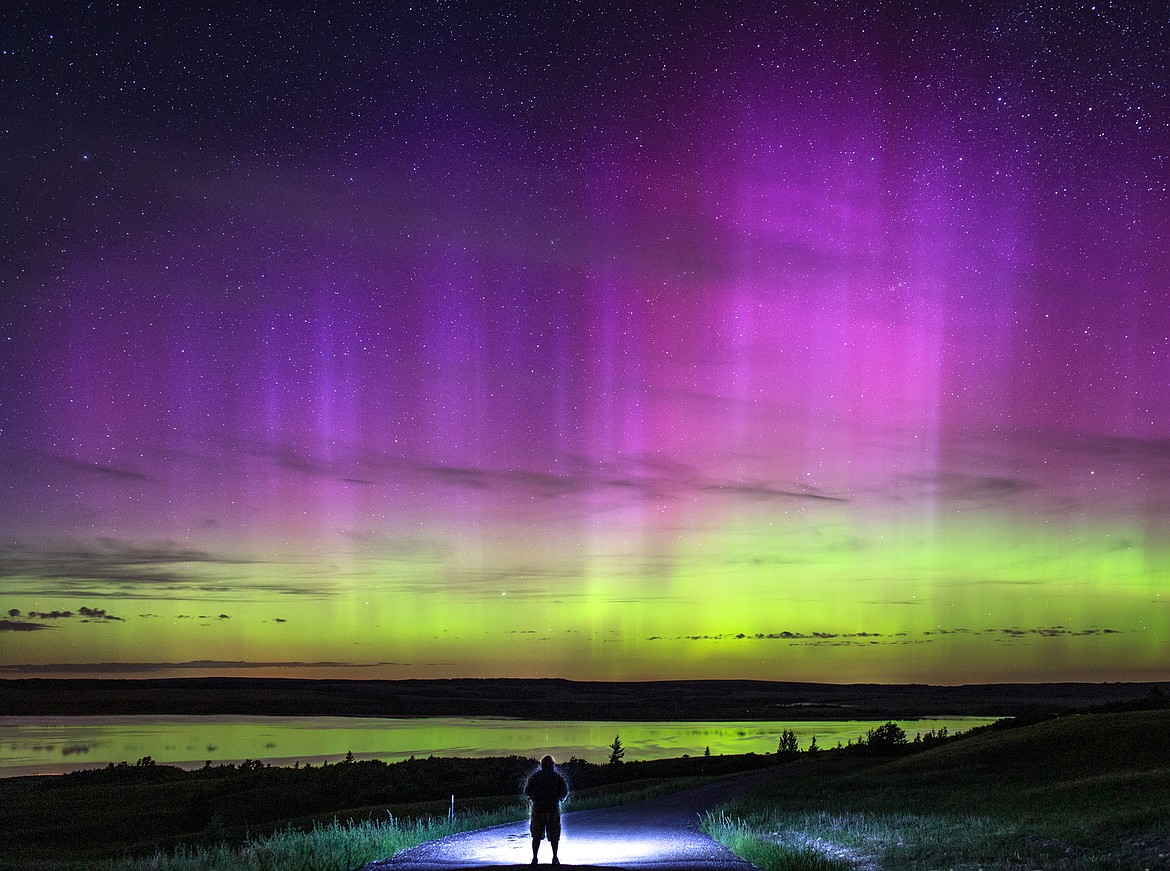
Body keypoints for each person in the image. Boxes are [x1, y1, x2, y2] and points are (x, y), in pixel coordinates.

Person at [524, 754, 569, 864]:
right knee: (554, 836)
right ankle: (555, 857)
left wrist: (532, 798)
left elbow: (527, 792)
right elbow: (565, 791)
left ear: (542, 765)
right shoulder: (557, 777)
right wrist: (560, 799)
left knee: (536, 836)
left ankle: (535, 858)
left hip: (538, 809)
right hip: (553, 809)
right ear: (553, 765)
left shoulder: (535, 776)